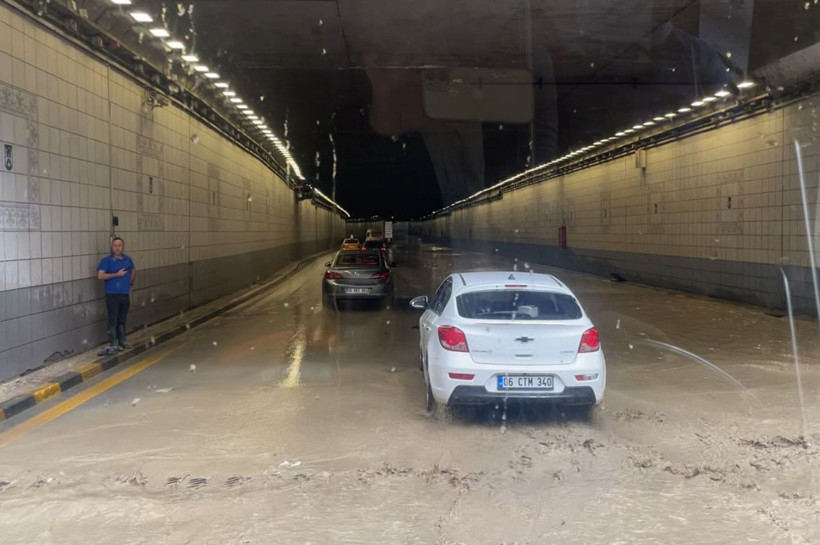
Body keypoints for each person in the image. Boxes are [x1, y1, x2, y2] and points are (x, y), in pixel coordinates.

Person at [97, 237, 137, 354]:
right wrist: (116, 275)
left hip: (124, 294)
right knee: (113, 320)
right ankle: (113, 343)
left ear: (123, 247)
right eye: (115, 245)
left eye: (119, 245)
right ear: (111, 247)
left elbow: (133, 270)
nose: (117, 247)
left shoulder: (128, 259)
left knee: (122, 319)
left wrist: (130, 283)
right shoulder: (106, 260)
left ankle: (122, 341)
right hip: (112, 295)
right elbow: (100, 275)